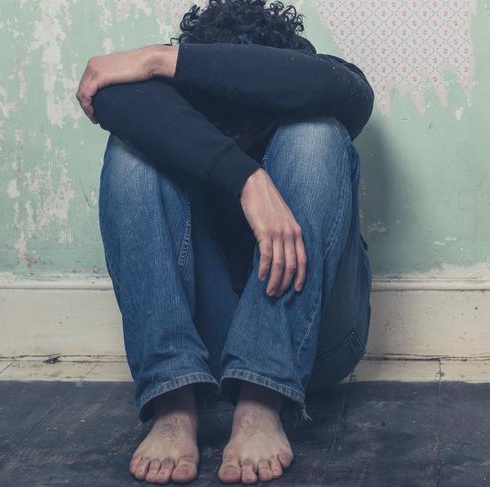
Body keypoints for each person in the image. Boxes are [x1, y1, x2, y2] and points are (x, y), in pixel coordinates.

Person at [76, 0, 374, 483]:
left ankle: (262, 399)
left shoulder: (317, 84)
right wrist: (246, 179)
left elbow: (335, 87)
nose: (237, 129)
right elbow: (109, 100)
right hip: (205, 349)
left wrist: (158, 58)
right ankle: (173, 400)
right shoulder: (175, 104)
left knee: (316, 134)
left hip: (318, 339)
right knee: (133, 151)